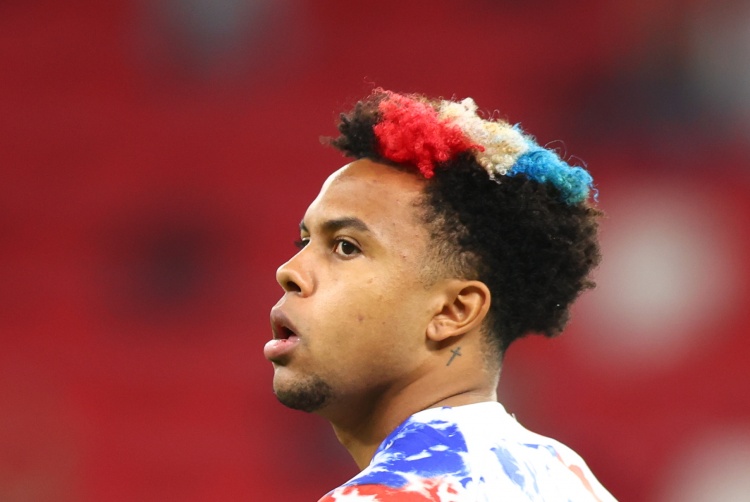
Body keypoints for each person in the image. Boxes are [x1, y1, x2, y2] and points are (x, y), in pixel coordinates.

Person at [264, 89, 616, 501]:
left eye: (346, 247)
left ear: (453, 310)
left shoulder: (388, 496)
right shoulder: (569, 477)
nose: (289, 272)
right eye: (303, 242)